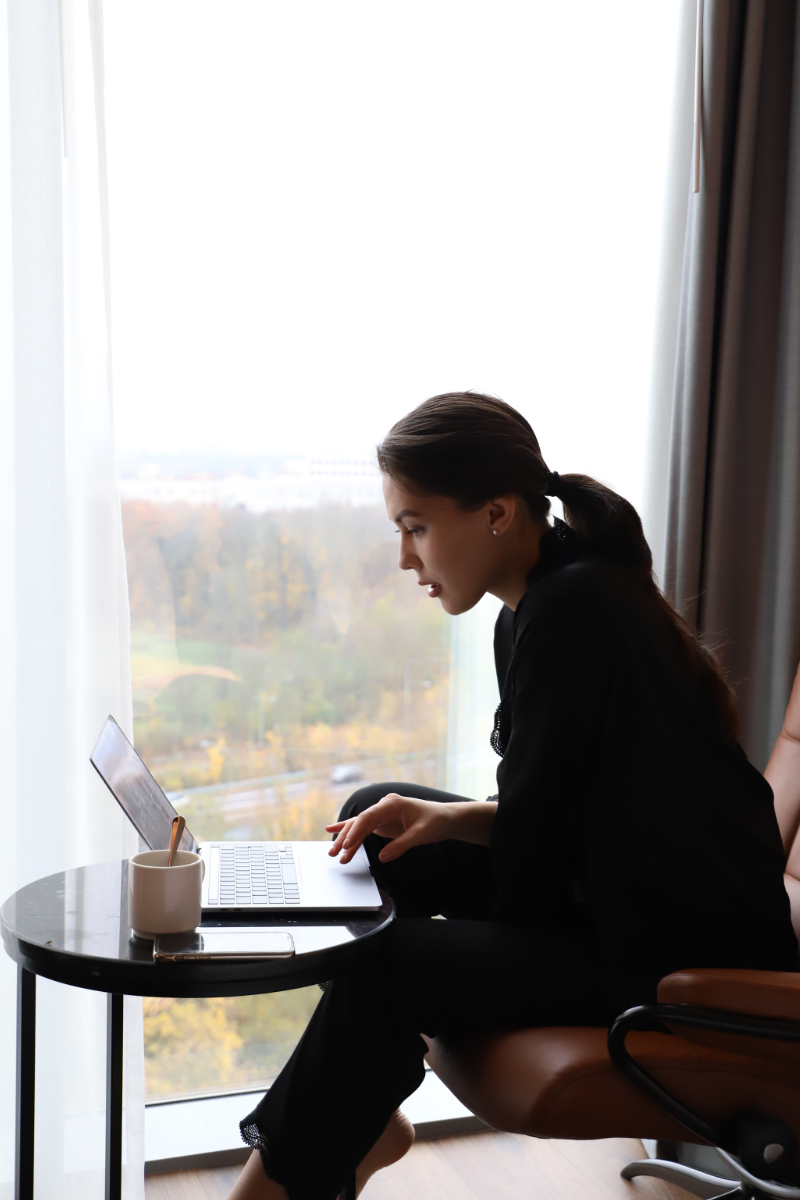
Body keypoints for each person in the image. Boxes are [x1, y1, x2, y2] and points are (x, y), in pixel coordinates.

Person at [229, 392, 799, 1200]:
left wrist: (439, 945)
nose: (404, 557)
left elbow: (535, 865)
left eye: (415, 527)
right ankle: (362, 1118)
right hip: (610, 891)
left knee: (394, 965)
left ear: (496, 513)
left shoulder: (573, 613)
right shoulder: (544, 601)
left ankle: (284, 1179)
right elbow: (560, 814)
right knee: (383, 817)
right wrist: (446, 823)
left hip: (668, 951)